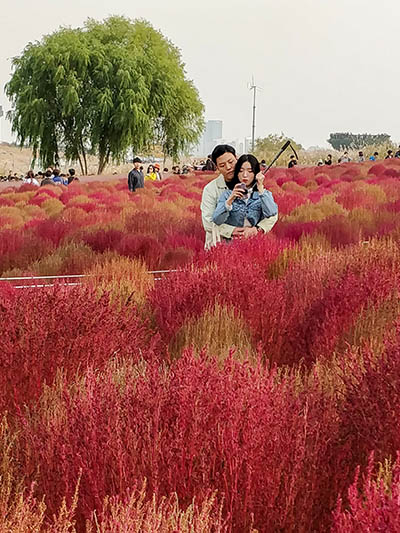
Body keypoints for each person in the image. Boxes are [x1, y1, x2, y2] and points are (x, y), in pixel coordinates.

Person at [200, 144, 278, 249]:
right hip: (218, 246)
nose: (228, 167)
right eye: (222, 165)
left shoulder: (253, 185)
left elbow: (272, 214)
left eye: (231, 162)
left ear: (236, 158)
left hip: (249, 246)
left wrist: (257, 229)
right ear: (216, 167)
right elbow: (208, 222)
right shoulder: (210, 189)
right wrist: (231, 230)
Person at [213, 154, 278, 234]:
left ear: (256, 173)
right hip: (231, 243)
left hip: (254, 242)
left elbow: (271, 213)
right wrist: (230, 200)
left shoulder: (263, 194)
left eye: (250, 171)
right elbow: (217, 220)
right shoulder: (227, 194)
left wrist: (260, 188)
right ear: (237, 173)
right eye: (241, 171)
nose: (245, 175)